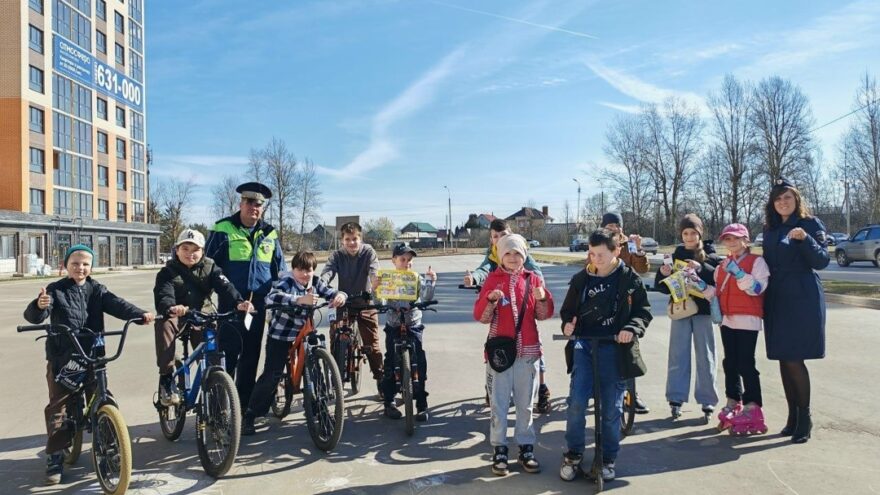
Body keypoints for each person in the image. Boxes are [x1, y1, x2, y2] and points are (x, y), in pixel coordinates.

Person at [23, 245, 154, 485]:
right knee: (59, 407)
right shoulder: (56, 290)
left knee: (104, 397)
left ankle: (112, 445)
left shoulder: (97, 289)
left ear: (91, 267)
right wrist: (39, 306)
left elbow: (116, 304)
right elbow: (36, 316)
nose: (80, 267)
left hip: (93, 354)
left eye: (85, 264)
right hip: (63, 357)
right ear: (65, 265)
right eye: (75, 263)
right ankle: (55, 457)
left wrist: (140, 314)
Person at [558, 229, 652, 483]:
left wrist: (630, 329)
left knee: (611, 407)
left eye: (601, 254)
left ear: (616, 251)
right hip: (585, 346)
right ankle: (574, 453)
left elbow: (643, 312)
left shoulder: (629, 279)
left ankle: (608, 457)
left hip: (615, 347)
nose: (595, 259)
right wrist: (568, 325)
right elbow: (567, 312)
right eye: (591, 253)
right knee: (577, 402)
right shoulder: (581, 279)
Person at [473, 234, 554, 477]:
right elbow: (481, 316)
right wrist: (490, 300)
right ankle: (499, 449)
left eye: (517, 253)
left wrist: (543, 298)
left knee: (525, 405)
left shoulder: (534, 278)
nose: (512, 258)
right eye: (507, 253)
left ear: (524, 255)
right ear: (499, 255)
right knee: (498, 404)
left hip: (528, 352)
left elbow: (544, 314)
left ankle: (526, 447)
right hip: (500, 355)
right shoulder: (492, 279)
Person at [243, 251, 346, 435]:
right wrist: (297, 299)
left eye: (309, 270)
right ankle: (251, 414)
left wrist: (340, 296)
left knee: (316, 369)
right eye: (300, 270)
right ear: (293, 269)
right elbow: (271, 297)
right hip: (281, 335)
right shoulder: (288, 281)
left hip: (305, 332)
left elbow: (329, 291)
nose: (305, 274)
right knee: (272, 374)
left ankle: (319, 409)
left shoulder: (314, 282)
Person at [205, 182, 287, 409]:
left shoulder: (270, 233)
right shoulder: (223, 229)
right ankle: (221, 408)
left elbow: (280, 270)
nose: (254, 207)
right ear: (241, 203)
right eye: (250, 202)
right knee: (229, 356)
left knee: (251, 357)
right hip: (230, 303)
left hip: (258, 304)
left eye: (259, 204)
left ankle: (243, 409)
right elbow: (208, 267)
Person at [153, 229, 254, 406]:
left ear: (202, 251)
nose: (190, 254)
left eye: (195, 250)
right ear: (177, 250)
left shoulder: (211, 267)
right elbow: (164, 294)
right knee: (164, 325)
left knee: (212, 353)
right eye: (185, 249)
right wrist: (172, 307)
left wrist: (239, 302)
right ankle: (167, 379)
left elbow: (225, 286)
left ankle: (215, 390)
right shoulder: (167, 272)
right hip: (178, 315)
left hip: (202, 315)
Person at [762, 178, 829, 444]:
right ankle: (792, 416)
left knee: (794, 358)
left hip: (801, 296)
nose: (783, 203)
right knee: (782, 357)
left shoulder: (810, 224)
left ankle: (805, 418)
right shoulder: (770, 228)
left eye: (787, 197)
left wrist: (806, 240)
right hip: (777, 296)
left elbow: (821, 261)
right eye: (778, 199)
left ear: (797, 199)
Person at [464, 219, 551, 414]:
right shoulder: (493, 255)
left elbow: (534, 271)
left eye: (503, 236)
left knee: (534, 348)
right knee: (494, 345)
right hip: (500, 302)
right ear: (491, 240)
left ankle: (542, 388)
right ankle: (492, 386)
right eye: (495, 237)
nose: (500, 240)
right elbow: (483, 270)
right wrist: (475, 279)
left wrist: (539, 289)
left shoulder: (518, 251)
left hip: (522, 305)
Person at [655, 213, 720, 420]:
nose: (689, 237)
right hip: (680, 311)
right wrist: (664, 274)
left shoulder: (710, 253)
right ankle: (675, 398)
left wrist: (701, 268)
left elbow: (718, 278)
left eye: (693, 233)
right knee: (678, 355)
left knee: (706, 356)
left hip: (703, 313)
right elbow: (662, 287)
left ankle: (707, 401)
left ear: (700, 234)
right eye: (685, 233)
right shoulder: (676, 255)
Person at [712, 223, 770, 434]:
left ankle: (753, 406)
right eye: (728, 239)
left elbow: (757, 289)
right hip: (728, 319)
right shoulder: (722, 265)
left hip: (747, 319)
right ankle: (732, 401)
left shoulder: (757, 262)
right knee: (730, 363)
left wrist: (738, 273)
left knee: (746, 363)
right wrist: (697, 285)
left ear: (746, 240)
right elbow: (716, 291)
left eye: (736, 238)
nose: (732, 242)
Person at [320, 222, 384, 395]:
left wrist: (375, 279)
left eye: (355, 239)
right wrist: (320, 285)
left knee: (372, 345)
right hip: (343, 302)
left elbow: (374, 270)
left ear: (360, 238)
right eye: (347, 239)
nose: (351, 243)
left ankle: (381, 381)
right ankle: (335, 380)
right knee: (335, 336)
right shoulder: (337, 255)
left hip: (365, 302)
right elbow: (327, 272)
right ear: (342, 241)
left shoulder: (368, 252)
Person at [379, 244, 436, 421]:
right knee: (390, 361)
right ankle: (389, 402)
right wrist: (375, 288)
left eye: (409, 260)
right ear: (394, 260)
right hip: (394, 324)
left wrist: (430, 281)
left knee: (419, 361)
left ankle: (421, 405)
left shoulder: (416, 278)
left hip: (413, 323)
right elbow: (380, 302)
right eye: (403, 259)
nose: (407, 263)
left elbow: (426, 297)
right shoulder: (388, 278)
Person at [600, 212, 650, 414]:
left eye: (616, 225)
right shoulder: (598, 243)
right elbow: (590, 267)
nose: (613, 229)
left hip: (627, 303)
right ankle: (599, 389)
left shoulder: (629, 244)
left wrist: (638, 251)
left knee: (629, 350)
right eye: (609, 225)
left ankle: (632, 394)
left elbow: (643, 269)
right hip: (604, 305)